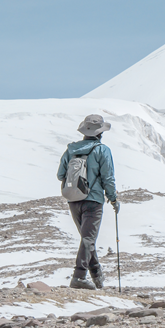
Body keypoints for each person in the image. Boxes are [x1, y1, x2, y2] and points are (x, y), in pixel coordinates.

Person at [57, 114, 119, 290]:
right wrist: (113, 198)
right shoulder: (102, 150)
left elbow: (60, 174)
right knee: (88, 239)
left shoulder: (71, 149)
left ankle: (97, 276)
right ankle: (79, 277)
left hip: (73, 200)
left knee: (87, 239)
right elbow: (108, 178)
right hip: (93, 200)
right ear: (100, 133)